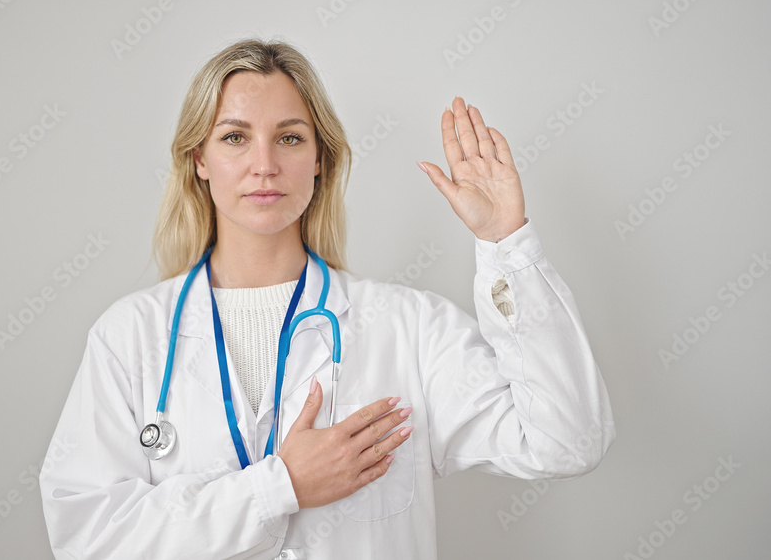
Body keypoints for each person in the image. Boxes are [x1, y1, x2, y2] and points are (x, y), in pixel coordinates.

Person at [39, 38, 615, 559]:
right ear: (199, 160)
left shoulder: (408, 328)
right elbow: (87, 539)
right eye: (235, 137)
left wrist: (505, 242)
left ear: (319, 159)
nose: (265, 165)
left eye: (289, 138)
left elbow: (566, 442)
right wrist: (280, 487)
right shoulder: (130, 336)